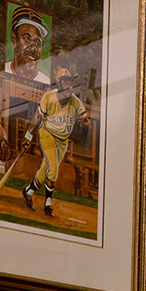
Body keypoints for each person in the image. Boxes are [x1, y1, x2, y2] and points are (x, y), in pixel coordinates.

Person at [22, 67, 88, 219]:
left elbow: (86, 121)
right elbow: (37, 119)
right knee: (53, 169)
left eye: (70, 82)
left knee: (45, 169)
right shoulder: (49, 97)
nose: (68, 85)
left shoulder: (75, 102)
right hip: (47, 134)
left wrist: (84, 123)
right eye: (64, 82)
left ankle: (28, 191)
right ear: (59, 84)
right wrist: (28, 136)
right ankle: (48, 203)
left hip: (62, 140)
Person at [6, 8, 50, 84]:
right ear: (14, 40)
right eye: (27, 38)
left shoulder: (45, 81)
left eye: (37, 43)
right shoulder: (3, 72)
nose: (33, 48)